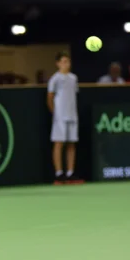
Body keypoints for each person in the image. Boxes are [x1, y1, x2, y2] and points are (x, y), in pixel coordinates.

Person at [47, 53, 83, 185]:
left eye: (67, 61)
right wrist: (55, 113)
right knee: (59, 143)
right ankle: (59, 173)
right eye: (63, 61)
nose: (66, 64)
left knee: (71, 143)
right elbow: (50, 98)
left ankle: (70, 172)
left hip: (72, 114)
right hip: (60, 116)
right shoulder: (55, 79)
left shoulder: (74, 78)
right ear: (58, 63)